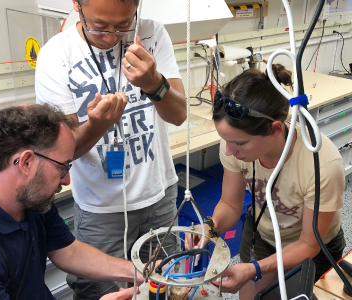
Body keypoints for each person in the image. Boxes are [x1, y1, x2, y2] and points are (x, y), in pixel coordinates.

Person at [35, 0, 186, 298]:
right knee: (102, 292)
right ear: (77, 5)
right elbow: (63, 151)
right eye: (99, 26)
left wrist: (154, 84)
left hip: (159, 194)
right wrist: (97, 125)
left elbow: (179, 114)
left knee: (165, 285)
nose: (111, 37)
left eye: (123, 25)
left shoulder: (152, 33)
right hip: (101, 209)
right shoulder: (57, 55)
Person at [185, 65, 345, 299]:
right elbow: (230, 205)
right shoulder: (232, 143)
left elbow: (309, 244)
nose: (229, 151)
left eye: (240, 143)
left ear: (275, 129)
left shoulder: (322, 164)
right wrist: (211, 226)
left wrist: (255, 268)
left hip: (313, 248)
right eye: (225, 141)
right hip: (262, 233)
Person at [0, 104, 144, 300]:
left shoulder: (30, 196)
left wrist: (138, 271)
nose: (66, 180)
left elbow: (69, 251)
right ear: (26, 162)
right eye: (62, 167)